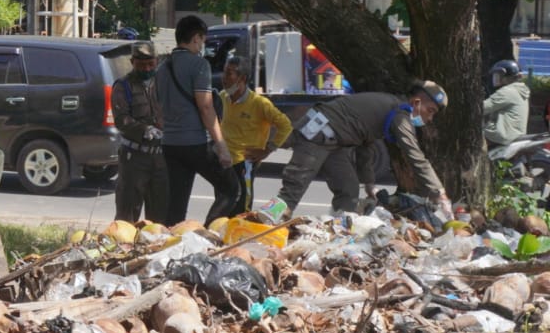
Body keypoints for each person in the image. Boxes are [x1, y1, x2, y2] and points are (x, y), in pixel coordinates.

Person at [265, 82, 451, 221]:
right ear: (416, 102)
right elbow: (415, 156)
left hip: (335, 142)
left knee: (349, 190)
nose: (430, 117)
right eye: (430, 110)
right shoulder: (400, 115)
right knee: (291, 192)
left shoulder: (388, 110)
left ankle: (339, 230)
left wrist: (369, 184)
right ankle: (263, 228)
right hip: (318, 135)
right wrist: (439, 193)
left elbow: (365, 147)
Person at [155, 15, 239, 225]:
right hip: (195, 144)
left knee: (177, 205)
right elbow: (206, 106)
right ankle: (210, 232)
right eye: (202, 40)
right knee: (230, 189)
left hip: (170, 144)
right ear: (195, 38)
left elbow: (158, 109)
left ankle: (171, 243)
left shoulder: (161, 68)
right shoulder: (199, 65)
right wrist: (221, 146)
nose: (202, 45)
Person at [219, 56, 293, 214]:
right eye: (224, 73)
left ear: (242, 78)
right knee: (223, 205)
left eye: (229, 74)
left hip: (244, 163)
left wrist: (268, 149)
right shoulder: (222, 98)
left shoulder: (260, 103)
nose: (224, 79)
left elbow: (285, 125)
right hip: (223, 161)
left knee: (241, 208)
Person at [111, 40, 167, 224]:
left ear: (157, 62)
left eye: (150, 64)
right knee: (127, 216)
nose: (146, 68)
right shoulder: (122, 86)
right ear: (132, 62)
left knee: (160, 218)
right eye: (141, 65)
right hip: (134, 159)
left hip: (160, 158)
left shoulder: (163, 85)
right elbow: (121, 120)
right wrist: (144, 130)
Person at [482, 60, 529, 149]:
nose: (496, 78)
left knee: (470, 137)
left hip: (502, 135)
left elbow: (482, 109)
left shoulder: (507, 92)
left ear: (507, 76)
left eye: (499, 75)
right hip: (516, 134)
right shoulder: (520, 90)